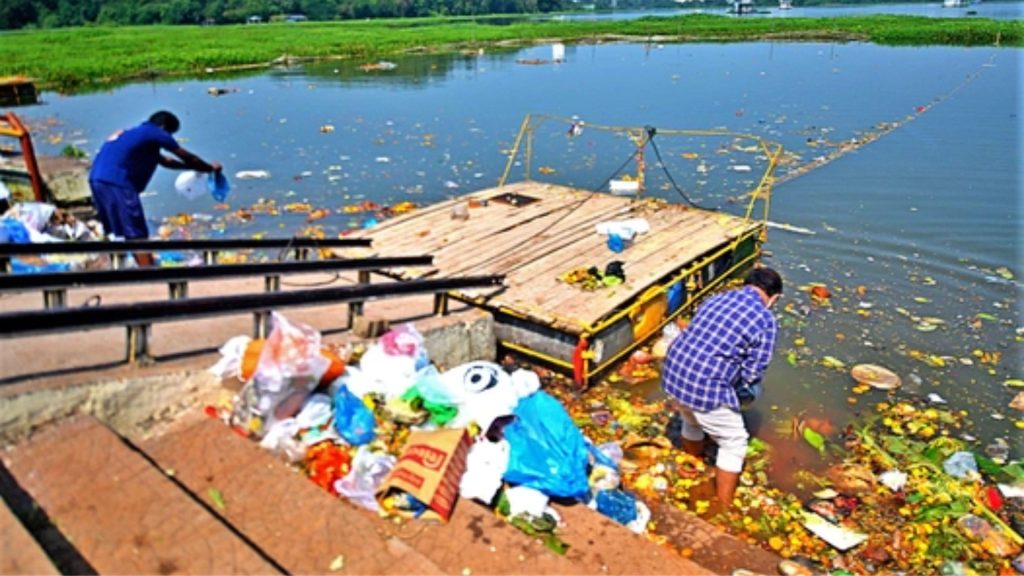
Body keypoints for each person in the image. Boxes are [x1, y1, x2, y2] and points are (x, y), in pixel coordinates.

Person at [662, 266, 782, 508]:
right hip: (704, 386)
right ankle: (723, 505)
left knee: (691, 419)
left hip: (674, 373)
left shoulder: (717, 298)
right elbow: (753, 371)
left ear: (746, 284)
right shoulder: (765, 319)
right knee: (734, 442)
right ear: (774, 298)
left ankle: (691, 463)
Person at [89, 111, 221, 266]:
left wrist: (191, 168)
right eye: (170, 133)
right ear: (164, 127)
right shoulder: (155, 132)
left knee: (116, 230)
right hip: (117, 181)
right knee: (135, 231)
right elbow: (186, 156)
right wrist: (208, 168)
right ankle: (149, 273)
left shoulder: (137, 134)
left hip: (97, 179)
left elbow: (166, 161)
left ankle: (124, 267)